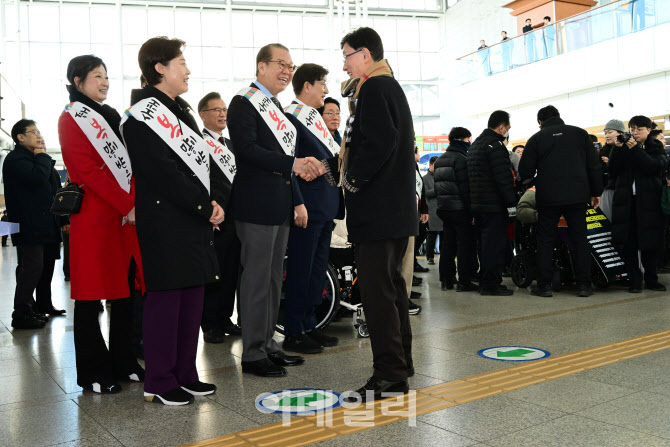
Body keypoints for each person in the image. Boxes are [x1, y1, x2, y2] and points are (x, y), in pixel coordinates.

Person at [122, 37, 223, 405]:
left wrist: (214, 203)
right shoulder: (140, 116)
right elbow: (161, 172)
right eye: (181, 62)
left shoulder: (182, 112)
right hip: (166, 219)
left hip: (193, 218)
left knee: (192, 297)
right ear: (159, 67)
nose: (188, 69)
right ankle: (159, 380)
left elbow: (202, 163)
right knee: (165, 300)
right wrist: (202, 205)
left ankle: (185, 373)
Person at [330, 27, 417, 402]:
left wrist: (352, 183)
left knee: (379, 294)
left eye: (347, 54)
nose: (344, 62)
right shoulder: (385, 86)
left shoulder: (377, 88)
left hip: (379, 212)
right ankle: (401, 363)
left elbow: (380, 142)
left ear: (365, 54)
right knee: (393, 290)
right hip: (391, 212)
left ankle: (390, 375)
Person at [227, 43, 322, 378]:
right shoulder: (244, 102)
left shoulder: (274, 106)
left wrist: (296, 191)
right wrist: (293, 163)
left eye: (291, 66)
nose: (287, 71)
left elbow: (286, 163)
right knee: (255, 280)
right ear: (261, 66)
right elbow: (247, 150)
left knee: (271, 280)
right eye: (281, 64)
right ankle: (252, 353)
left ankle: (268, 344)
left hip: (279, 205)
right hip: (255, 205)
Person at [59, 55, 144, 394]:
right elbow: (88, 173)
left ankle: (123, 362)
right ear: (78, 82)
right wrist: (128, 203)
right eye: (96, 76)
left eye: (106, 76)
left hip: (124, 219)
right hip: (95, 219)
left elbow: (130, 166)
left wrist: (132, 201)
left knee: (125, 293)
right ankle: (93, 371)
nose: (105, 82)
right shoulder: (72, 119)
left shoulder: (110, 118)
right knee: (91, 297)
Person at [282, 63, 345, 354]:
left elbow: (331, 164)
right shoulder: (291, 118)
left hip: (325, 208)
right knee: (300, 270)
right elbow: (289, 166)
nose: (326, 90)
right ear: (307, 86)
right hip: (307, 209)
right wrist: (298, 202)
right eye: (322, 84)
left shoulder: (316, 120)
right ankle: (294, 329)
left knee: (317, 272)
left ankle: (310, 324)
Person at [519, 105, 603, 297]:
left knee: (545, 240)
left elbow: (525, 171)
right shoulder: (580, 134)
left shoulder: (537, 139)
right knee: (580, 240)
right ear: (559, 116)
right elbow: (594, 166)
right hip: (578, 196)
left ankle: (544, 286)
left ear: (540, 121)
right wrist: (596, 192)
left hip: (548, 198)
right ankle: (583, 285)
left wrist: (534, 183)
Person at [4, 120, 67, 330]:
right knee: (31, 267)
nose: (39, 136)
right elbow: (37, 180)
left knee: (45, 265)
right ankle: (20, 313)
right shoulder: (15, 159)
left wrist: (63, 218)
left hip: (46, 222)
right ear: (20, 137)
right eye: (34, 132)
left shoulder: (39, 159)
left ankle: (40, 305)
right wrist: (42, 156)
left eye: (40, 132)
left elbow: (54, 189)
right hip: (27, 224)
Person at [197, 92, 242, 344]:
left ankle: (225, 318)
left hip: (236, 218)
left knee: (231, 270)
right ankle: (210, 323)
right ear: (203, 115)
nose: (223, 114)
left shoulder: (231, 144)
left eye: (224, 109)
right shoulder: (200, 143)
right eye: (216, 110)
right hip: (215, 217)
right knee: (214, 272)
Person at [609, 115, 668, 293]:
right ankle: (634, 279)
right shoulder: (624, 147)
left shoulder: (656, 148)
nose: (635, 133)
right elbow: (612, 170)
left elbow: (652, 167)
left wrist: (636, 150)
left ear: (648, 131)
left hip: (650, 202)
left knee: (651, 241)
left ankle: (651, 278)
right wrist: (617, 149)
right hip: (626, 202)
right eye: (632, 129)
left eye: (639, 129)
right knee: (628, 242)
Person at [467, 111, 516, 296]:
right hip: (494, 206)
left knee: (484, 245)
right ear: (501, 127)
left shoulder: (476, 145)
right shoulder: (495, 146)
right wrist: (511, 204)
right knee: (495, 246)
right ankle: (491, 284)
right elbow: (503, 179)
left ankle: (486, 281)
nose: (507, 131)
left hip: (479, 205)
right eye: (508, 128)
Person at [434, 127, 478, 292]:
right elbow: (465, 189)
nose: (470, 142)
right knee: (464, 245)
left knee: (448, 245)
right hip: (460, 210)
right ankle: (464, 281)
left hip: (444, 210)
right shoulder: (461, 159)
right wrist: (472, 211)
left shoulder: (440, 160)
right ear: (463, 140)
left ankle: (446, 279)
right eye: (468, 139)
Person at [600, 119, 625, 220]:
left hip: (621, 191)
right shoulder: (602, 151)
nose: (607, 135)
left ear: (620, 133)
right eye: (605, 133)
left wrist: (611, 162)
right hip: (606, 191)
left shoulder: (627, 149)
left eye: (610, 132)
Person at [423, 156, 443, 266]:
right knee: (431, 235)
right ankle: (430, 256)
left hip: (441, 209)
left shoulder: (441, 176)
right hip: (431, 210)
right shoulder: (425, 178)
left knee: (444, 235)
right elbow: (426, 193)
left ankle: (443, 255)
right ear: (430, 165)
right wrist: (438, 189)